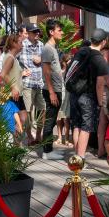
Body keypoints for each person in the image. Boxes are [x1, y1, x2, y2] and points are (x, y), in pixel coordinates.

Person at [66, 29, 109, 158]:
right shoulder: (100, 59)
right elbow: (99, 84)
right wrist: (100, 102)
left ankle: (76, 157)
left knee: (77, 125)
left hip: (74, 93)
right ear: (103, 42)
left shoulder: (81, 51)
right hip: (88, 96)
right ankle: (80, 159)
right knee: (86, 127)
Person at [40, 18, 64, 159]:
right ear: (51, 32)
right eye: (59, 30)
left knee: (52, 119)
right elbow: (46, 71)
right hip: (52, 90)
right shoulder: (48, 49)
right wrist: (51, 92)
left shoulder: (52, 48)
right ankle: (47, 152)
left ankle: (49, 149)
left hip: (55, 89)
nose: (62, 32)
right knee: (50, 120)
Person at [18, 23, 44, 144]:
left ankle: (38, 134)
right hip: (27, 84)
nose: (37, 34)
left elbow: (48, 61)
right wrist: (20, 72)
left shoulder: (41, 45)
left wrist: (41, 60)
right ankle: (29, 136)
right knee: (27, 112)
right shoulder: (21, 45)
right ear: (27, 33)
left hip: (39, 84)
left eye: (38, 31)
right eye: (34, 32)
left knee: (42, 110)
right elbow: (9, 59)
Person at [0, 34, 26, 138]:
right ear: (13, 43)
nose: (22, 45)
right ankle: (14, 147)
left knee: (22, 120)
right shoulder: (10, 57)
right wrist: (13, 87)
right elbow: (3, 74)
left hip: (17, 94)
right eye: (20, 42)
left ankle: (16, 145)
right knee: (18, 122)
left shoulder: (13, 57)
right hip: (12, 94)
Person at [57, 52, 72, 146]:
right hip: (60, 96)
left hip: (67, 96)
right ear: (63, 62)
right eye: (67, 62)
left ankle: (66, 138)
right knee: (59, 118)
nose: (68, 63)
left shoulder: (70, 72)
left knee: (66, 119)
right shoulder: (59, 72)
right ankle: (59, 137)